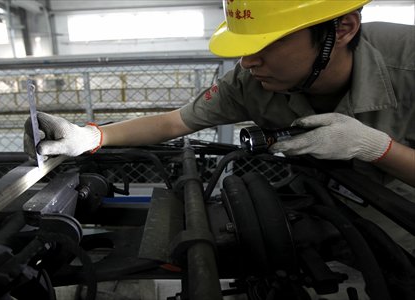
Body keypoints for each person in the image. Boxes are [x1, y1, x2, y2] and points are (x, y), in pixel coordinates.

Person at [25, 0, 414, 191]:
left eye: (268, 43)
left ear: (343, 28)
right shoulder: (251, 82)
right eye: (245, 45)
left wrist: (377, 149)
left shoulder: (408, 64)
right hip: (323, 205)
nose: (247, 62)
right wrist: (91, 136)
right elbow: (174, 122)